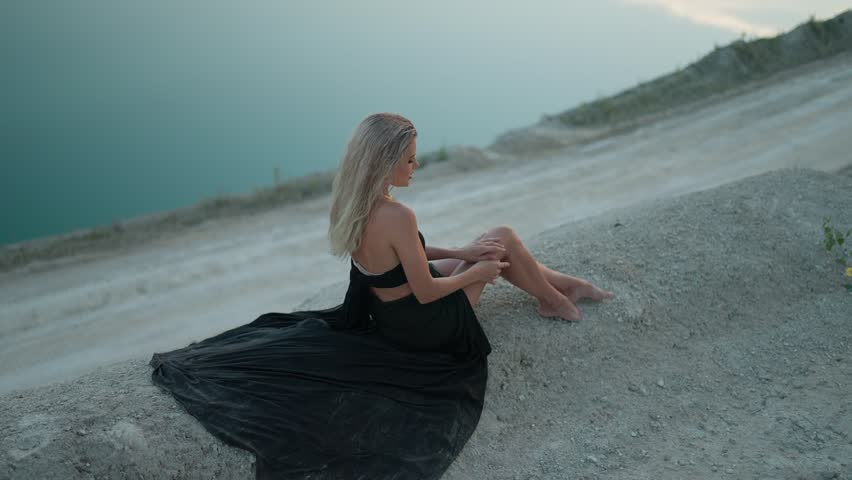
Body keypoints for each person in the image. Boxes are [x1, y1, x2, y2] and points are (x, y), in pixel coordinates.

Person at [150, 112, 612, 480]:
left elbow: (402, 257)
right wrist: (479, 273)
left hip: (388, 315)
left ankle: (561, 285)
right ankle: (554, 298)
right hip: (424, 323)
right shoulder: (399, 214)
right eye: (409, 159)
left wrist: (463, 252)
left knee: (488, 244)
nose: (415, 166)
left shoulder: (350, 202)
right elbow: (429, 290)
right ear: (385, 162)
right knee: (504, 240)